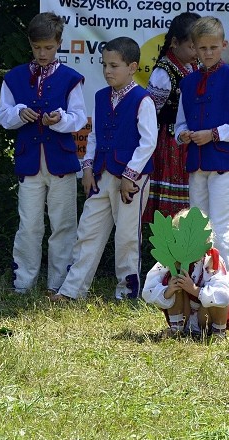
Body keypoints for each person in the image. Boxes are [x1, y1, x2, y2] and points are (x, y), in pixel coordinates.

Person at [51, 37, 157, 301]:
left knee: (126, 237)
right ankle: (72, 290)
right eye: (104, 65)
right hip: (101, 173)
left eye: (114, 65)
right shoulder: (100, 97)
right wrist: (87, 167)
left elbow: (148, 142)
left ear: (132, 67)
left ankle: (127, 293)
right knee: (88, 231)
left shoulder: (142, 100)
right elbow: (95, 135)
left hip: (131, 179)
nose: (108, 71)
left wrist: (130, 175)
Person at [0, 12, 88, 296]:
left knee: (63, 224)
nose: (43, 53)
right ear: (30, 44)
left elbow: (80, 118)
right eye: (37, 48)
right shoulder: (14, 78)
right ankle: (23, 282)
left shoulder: (71, 78)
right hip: (29, 161)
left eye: (48, 47)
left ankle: (57, 283)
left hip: (61, 160)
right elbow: (2, 116)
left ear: (59, 43)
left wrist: (59, 119)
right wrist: (19, 114)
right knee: (30, 224)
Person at [175, 17, 229, 304]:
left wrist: (214, 134)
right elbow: (180, 122)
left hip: (225, 162)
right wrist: (183, 135)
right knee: (197, 226)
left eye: (213, 47)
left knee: (222, 227)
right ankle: (203, 282)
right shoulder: (188, 81)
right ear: (194, 48)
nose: (208, 52)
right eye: (202, 48)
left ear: (223, 45)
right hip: (197, 162)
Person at [142, 12, 201, 223]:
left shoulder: (195, 66)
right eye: (192, 47)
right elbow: (149, 113)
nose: (197, 52)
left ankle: (190, 248)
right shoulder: (164, 72)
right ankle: (169, 249)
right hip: (169, 144)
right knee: (170, 209)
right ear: (175, 42)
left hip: (192, 141)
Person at [142, 208, 229, 340]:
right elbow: (147, 292)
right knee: (175, 282)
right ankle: (176, 329)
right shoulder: (169, 260)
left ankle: (218, 332)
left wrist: (195, 290)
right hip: (182, 315)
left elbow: (223, 295)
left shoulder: (212, 260)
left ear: (206, 241)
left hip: (206, 319)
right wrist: (168, 290)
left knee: (218, 295)